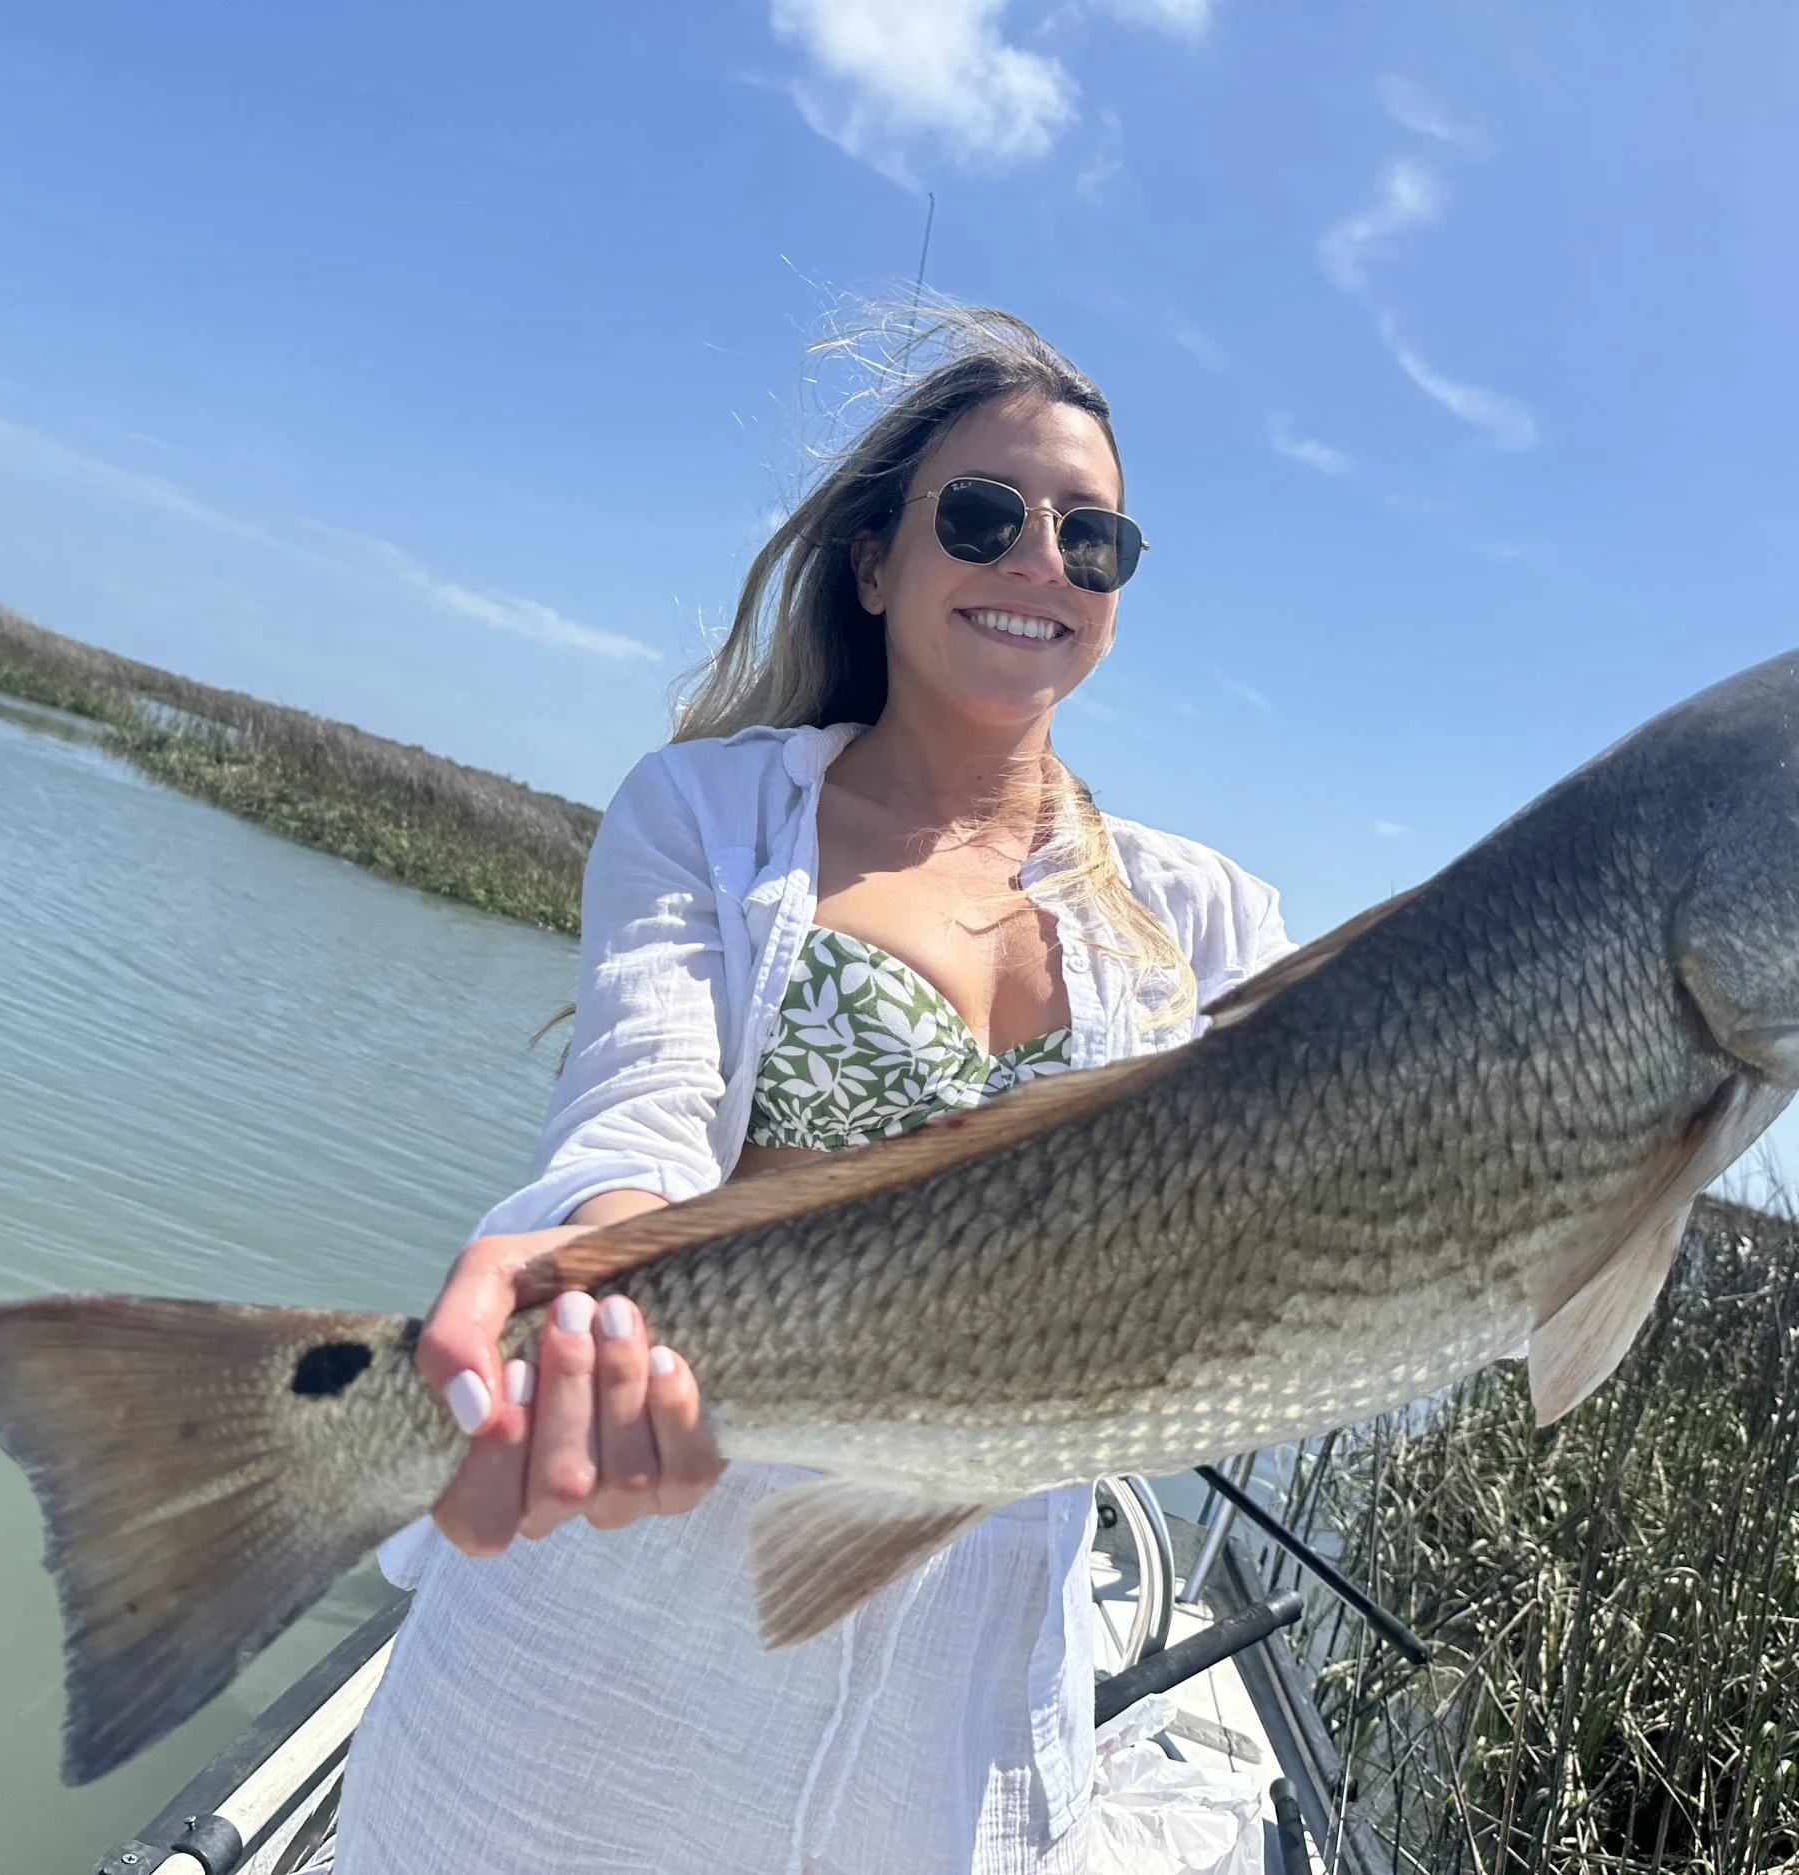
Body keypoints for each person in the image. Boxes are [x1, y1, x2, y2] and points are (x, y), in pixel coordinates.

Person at [335, 308, 1292, 1873]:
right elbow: (636, 1107)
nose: (1040, 558)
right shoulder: (710, 812)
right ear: (874, 559)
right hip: (605, 1653)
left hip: (954, 1725)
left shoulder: (1207, 922)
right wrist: (607, 1285)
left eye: (1094, 537)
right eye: (984, 515)